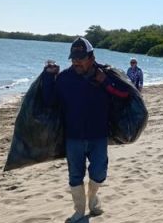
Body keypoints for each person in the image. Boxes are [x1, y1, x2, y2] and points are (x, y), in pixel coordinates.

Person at [42, 37, 129, 223]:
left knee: (98, 173)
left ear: (91, 57)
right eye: (73, 58)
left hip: (98, 136)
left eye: (80, 58)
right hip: (73, 137)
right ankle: (79, 211)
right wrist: (49, 77)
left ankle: (94, 198)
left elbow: (124, 94)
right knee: (75, 175)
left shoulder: (105, 74)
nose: (76, 62)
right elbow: (49, 102)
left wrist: (105, 82)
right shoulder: (64, 78)